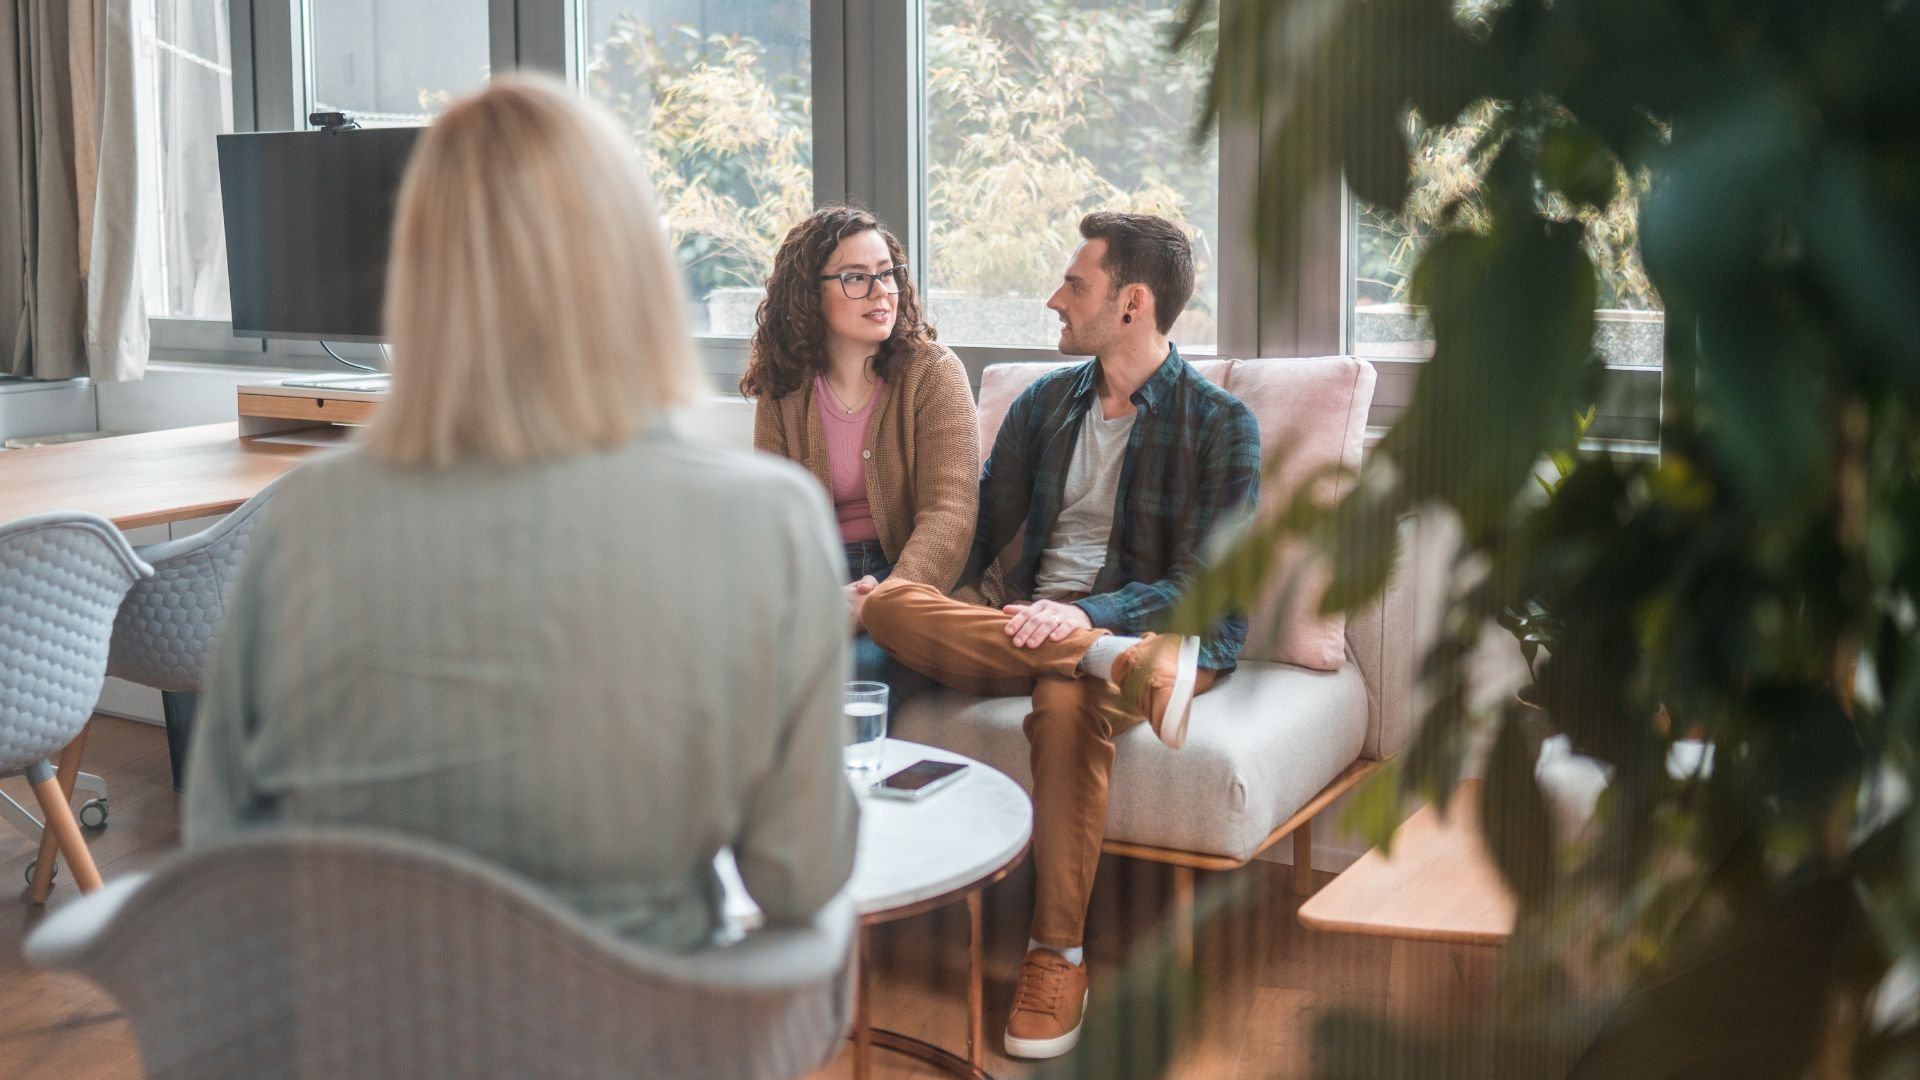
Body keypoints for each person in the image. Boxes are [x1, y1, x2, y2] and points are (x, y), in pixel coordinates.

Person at [183, 75, 859, 952]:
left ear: (418, 272)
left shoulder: (302, 519)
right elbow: (798, 874)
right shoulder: (768, 522)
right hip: (636, 1037)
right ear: (633, 266)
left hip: (361, 1035)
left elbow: (221, 855)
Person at [860, 212, 1261, 1058]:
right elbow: (973, 529)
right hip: (1052, 633)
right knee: (889, 603)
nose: (1054, 299)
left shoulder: (1221, 424)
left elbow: (1211, 591)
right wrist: (916, 589)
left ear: (1132, 304)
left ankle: (1057, 957)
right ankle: (1118, 666)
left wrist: (1092, 616)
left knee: (1069, 701)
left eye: (1074, 285)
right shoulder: (1045, 404)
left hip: (1159, 632)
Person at [742, 206, 979, 691]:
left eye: (888, 274)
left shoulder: (934, 372)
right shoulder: (784, 386)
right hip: (823, 576)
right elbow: (774, 519)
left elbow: (950, 516)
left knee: (852, 675)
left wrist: (881, 600)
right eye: (856, 277)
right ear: (810, 294)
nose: (881, 292)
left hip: (913, 576)